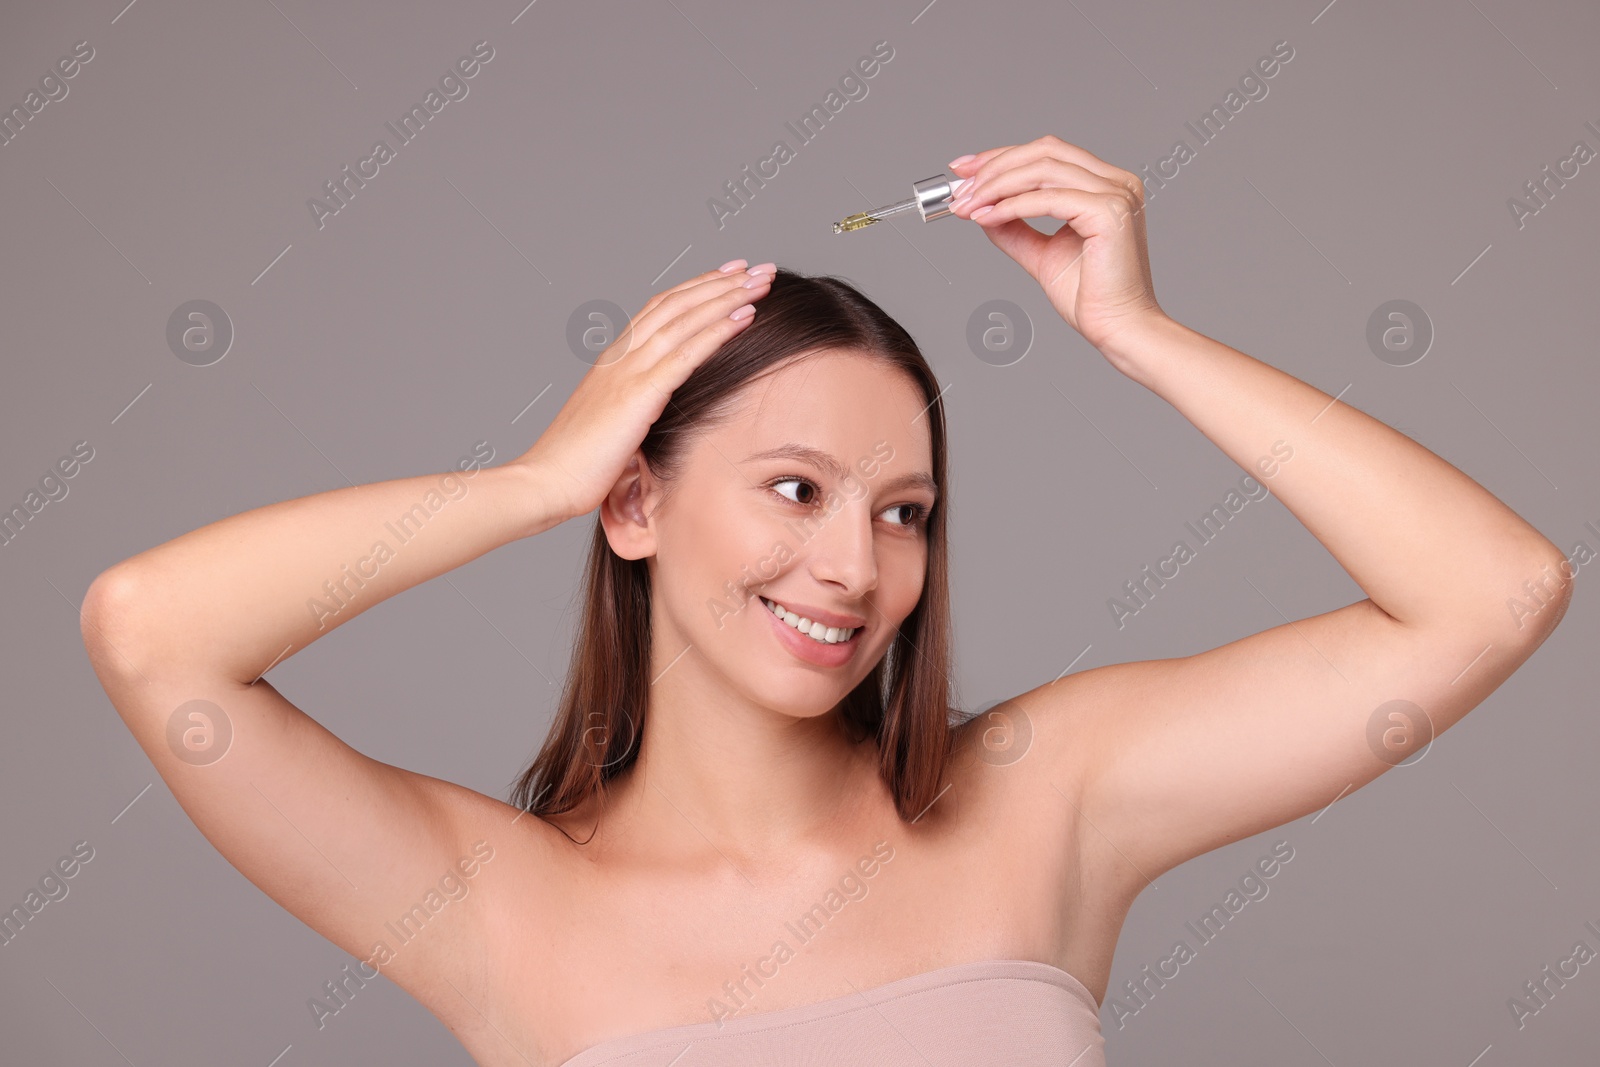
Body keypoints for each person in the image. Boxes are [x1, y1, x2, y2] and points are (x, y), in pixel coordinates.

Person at [79, 135, 1573, 1066]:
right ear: (640, 502)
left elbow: (1495, 594)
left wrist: (1138, 335)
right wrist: (533, 485)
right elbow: (152, 633)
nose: (856, 570)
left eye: (903, 512)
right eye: (795, 490)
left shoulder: (1047, 799)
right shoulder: (495, 904)